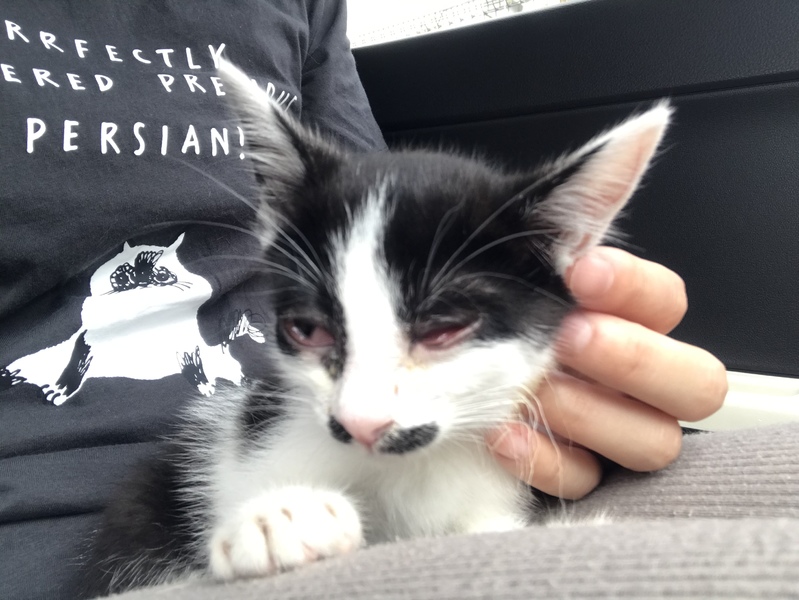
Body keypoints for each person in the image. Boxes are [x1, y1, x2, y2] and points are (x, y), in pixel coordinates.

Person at [0, 1, 726, 599]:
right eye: (310, 330)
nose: (357, 412)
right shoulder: (290, 438)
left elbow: (378, 195)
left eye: (439, 331)